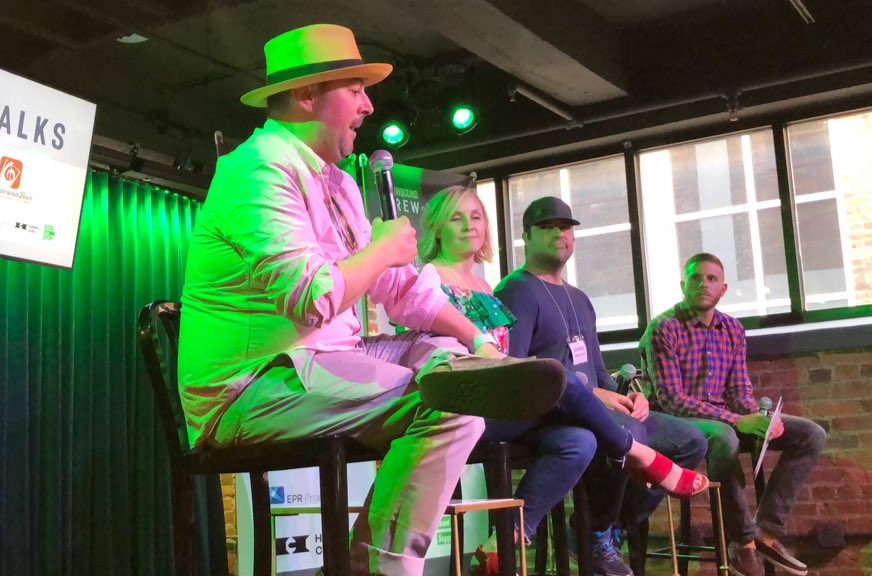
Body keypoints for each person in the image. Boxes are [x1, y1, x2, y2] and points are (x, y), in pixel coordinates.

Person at [177, 24, 564, 575]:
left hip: (326, 361)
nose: (368, 102)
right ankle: (380, 569)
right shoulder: (256, 173)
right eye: (355, 88)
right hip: (249, 385)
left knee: (448, 364)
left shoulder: (337, 181)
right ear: (308, 96)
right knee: (449, 401)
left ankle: (482, 371)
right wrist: (382, 250)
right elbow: (310, 299)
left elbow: (403, 290)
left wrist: (475, 337)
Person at [420, 187, 709, 572]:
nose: (469, 226)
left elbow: (516, 362)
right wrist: (579, 389)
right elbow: (506, 363)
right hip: (467, 401)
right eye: (456, 217)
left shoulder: (484, 286)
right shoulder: (433, 277)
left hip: (512, 403)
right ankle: (641, 459)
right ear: (438, 227)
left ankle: (508, 537)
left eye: (476, 217)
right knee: (564, 381)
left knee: (581, 439)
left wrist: (622, 394)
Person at [641, 253, 826, 576]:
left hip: (723, 416)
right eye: (696, 278)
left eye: (711, 279)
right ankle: (743, 543)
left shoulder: (733, 330)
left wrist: (759, 417)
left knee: (811, 434)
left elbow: (738, 392)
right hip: (677, 422)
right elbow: (672, 400)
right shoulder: (663, 328)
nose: (703, 284)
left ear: (723, 288)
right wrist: (741, 421)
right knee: (724, 437)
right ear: (684, 284)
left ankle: (766, 532)